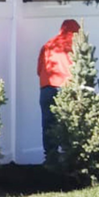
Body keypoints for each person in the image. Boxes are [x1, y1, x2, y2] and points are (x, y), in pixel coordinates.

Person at [37, 19, 81, 161]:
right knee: (69, 124)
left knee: (48, 124)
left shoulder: (48, 45)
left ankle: (50, 158)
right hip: (67, 88)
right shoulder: (76, 45)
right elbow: (81, 69)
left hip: (46, 89)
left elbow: (39, 70)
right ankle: (70, 158)